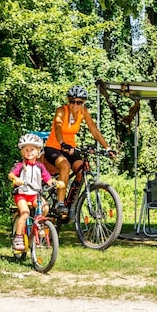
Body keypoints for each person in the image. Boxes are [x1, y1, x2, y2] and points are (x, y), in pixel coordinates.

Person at [43, 85, 114, 217]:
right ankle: (60, 203)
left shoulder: (83, 112)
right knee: (65, 165)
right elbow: (58, 127)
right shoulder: (61, 111)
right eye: (72, 101)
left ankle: (71, 202)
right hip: (54, 146)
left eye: (79, 102)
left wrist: (107, 148)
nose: (75, 105)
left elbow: (94, 130)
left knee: (82, 170)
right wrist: (62, 143)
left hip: (70, 148)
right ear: (68, 100)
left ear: (83, 103)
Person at [8, 133, 63, 251]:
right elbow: (11, 174)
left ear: (39, 152)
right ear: (22, 152)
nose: (29, 152)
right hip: (22, 195)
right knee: (25, 213)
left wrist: (55, 183)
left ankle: (39, 225)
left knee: (44, 207)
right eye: (26, 150)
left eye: (32, 149)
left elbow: (47, 178)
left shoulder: (40, 166)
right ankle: (18, 237)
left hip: (34, 195)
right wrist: (15, 179)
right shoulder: (20, 165)